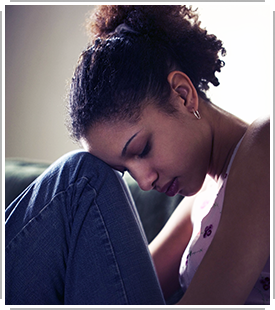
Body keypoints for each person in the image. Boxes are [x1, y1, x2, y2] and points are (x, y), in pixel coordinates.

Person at [5, 5, 269, 305]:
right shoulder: (201, 198)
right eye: (125, 171)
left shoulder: (266, 142)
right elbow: (123, 282)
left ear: (183, 95)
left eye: (142, 149)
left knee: (79, 179)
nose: (144, 182)